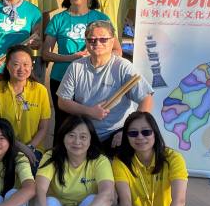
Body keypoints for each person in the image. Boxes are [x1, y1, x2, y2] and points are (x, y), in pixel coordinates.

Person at [57, 20, 153, 150]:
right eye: (92, 40)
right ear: (86, 42)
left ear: (112, 41)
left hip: (116, 132)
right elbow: (62, 101)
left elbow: (146, 99)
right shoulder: (76, 67)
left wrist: (127, 131)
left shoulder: (123, 66)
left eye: (103, 39)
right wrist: (90, 112)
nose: (97, 43)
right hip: (85, 132)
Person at [43, 0, 116, 132]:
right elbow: (45, 54)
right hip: (61, 78)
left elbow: (116, 49)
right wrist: (72, 57)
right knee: (63, 126)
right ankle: (59, 157)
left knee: (88, 126)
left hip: (92, 80)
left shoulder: (100, 18)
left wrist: (98, 58)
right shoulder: (59, 19)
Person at [0, 45, 51, 167]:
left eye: (26, 64)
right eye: (16, 64)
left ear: (32, 66)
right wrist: (20, 146)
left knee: (31, 180)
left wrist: (30, 147)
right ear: (7, 66)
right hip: (3, 147)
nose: (21, 69)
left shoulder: (41, 90)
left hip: (33, 149)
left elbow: (43, 127)